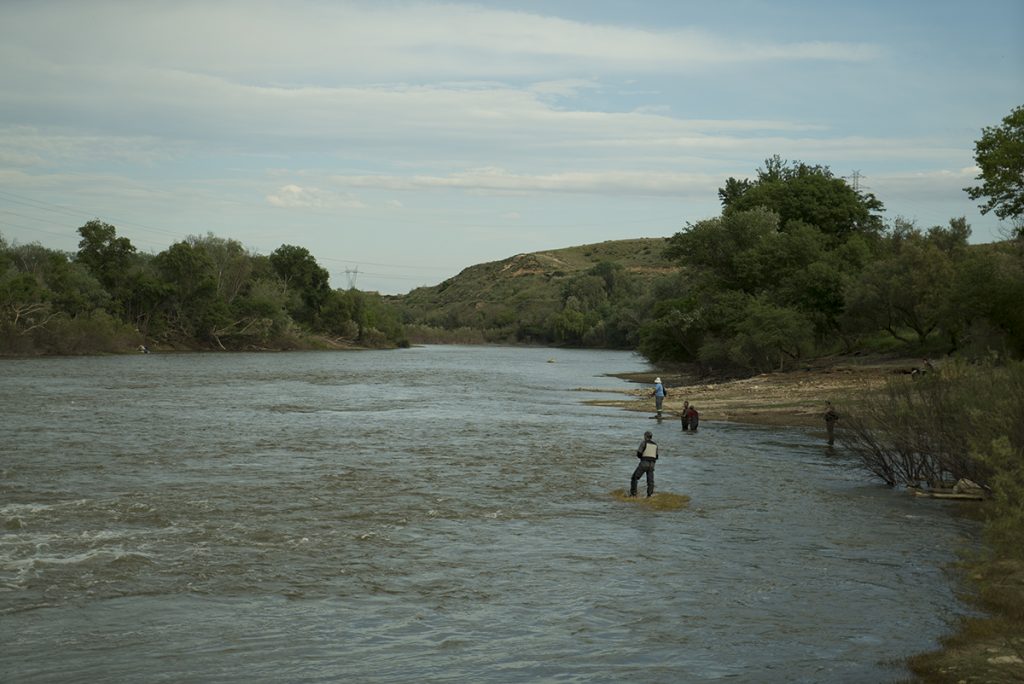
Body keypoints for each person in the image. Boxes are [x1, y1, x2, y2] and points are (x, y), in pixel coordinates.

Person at [630, 430, 659, 497]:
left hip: (644, 463)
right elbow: (656, 456)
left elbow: (639, 453)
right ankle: (649, 495)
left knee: (634, 478)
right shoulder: (655, 445)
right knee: (650, 481)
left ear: (645, 436)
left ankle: (633, 494)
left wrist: (641, 457)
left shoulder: (644, 443)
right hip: (652, 464)